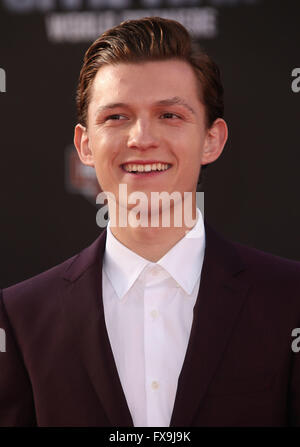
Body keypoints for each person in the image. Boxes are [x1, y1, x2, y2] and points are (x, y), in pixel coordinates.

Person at [1, 16, 300, 428]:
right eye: (116, 117)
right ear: (85, 145)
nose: (142, 138)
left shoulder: (290, 301)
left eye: (170, 115)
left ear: (212, 139)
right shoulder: (20, 318)